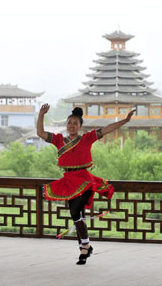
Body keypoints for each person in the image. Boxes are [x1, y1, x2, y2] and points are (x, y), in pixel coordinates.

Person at [37, 104, 135, 265]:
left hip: (85, 181)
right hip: (68, 181)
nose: (72, 125)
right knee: (77, 215)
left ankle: (85, 246)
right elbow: (40, 133)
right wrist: (41, 114)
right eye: (70, 122)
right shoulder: (59, 140)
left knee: (75, 211)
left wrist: (125, 120)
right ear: (66, 125)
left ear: (80, 126)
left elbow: (107, 129)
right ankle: (85, 246)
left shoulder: (87, 138)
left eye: (75, 123)